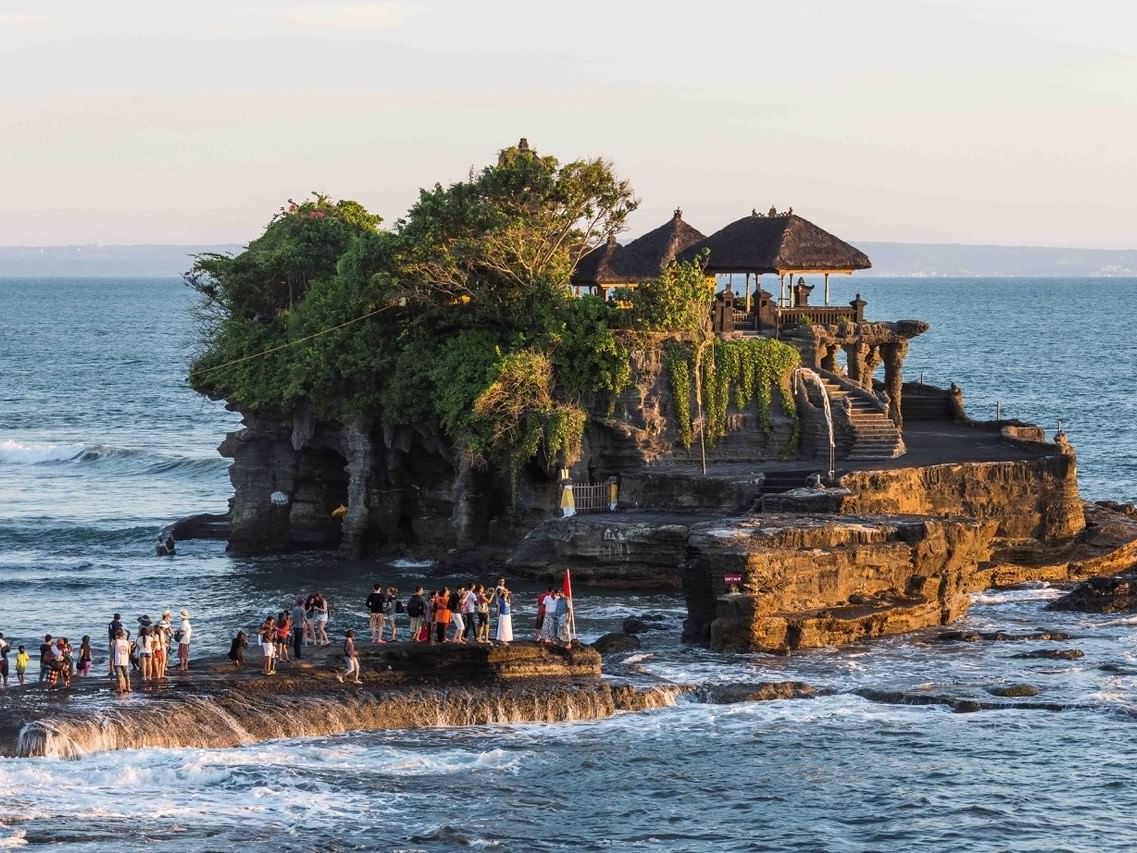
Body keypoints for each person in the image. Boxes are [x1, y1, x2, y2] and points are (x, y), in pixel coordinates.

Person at [112, 629, 131, 694]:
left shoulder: (115, 641)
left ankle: (120, 688)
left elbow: (112, 651)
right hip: (125, 660)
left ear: (117, 635)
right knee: (126, 674)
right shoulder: (127, 642)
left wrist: (112, 660)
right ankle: (128, 687)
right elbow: (129, 651)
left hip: (118, 660)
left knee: (119, 675)